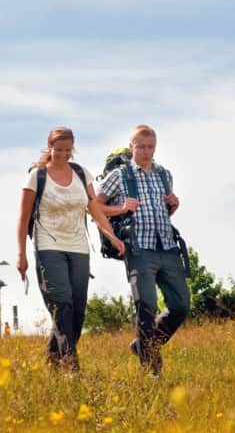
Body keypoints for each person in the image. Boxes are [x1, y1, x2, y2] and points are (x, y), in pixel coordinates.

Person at [17, 127, 126, 371]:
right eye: (59, 150)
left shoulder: (80, 173)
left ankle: (52, 363)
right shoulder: (37, 176)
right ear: (50, 148)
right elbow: (23, 219)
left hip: (78, 248)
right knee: (62, 305)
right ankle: (71, 366)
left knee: (77, 310)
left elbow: (94, 209)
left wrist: (112, 236)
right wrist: (21, 254)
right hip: (48, 247)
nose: (63, 155)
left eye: (68, 150)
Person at [95, 124, 190, 377]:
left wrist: (173, 205)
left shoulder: (164, 175)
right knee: (146, 306)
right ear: (131, 148)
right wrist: (122, 208)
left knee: (181, 305)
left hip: (167, 246)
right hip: (138, 248)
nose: (146, 152)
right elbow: (93, 207)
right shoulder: (119, 175)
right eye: (141, 147)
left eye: (150, 147)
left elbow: (164, 211)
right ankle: (152, 370)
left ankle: (142, 346)